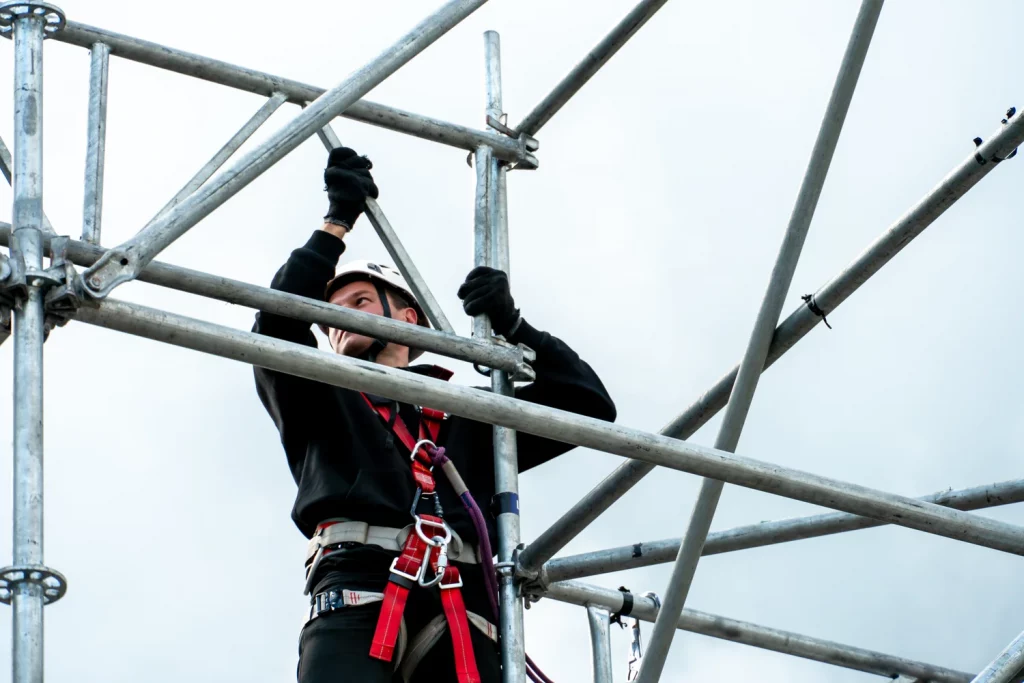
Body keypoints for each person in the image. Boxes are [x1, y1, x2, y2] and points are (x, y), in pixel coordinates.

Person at [253, 146, 616, 683]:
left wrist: (516, 328)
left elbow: (587, 406)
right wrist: (334, 226)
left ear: (408, 317)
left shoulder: (467, 414)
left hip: (460, 606)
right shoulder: (323, 396)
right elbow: (278, 323)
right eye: (330, 313)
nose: (337, 318)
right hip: (358, 589)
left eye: (357, 302)